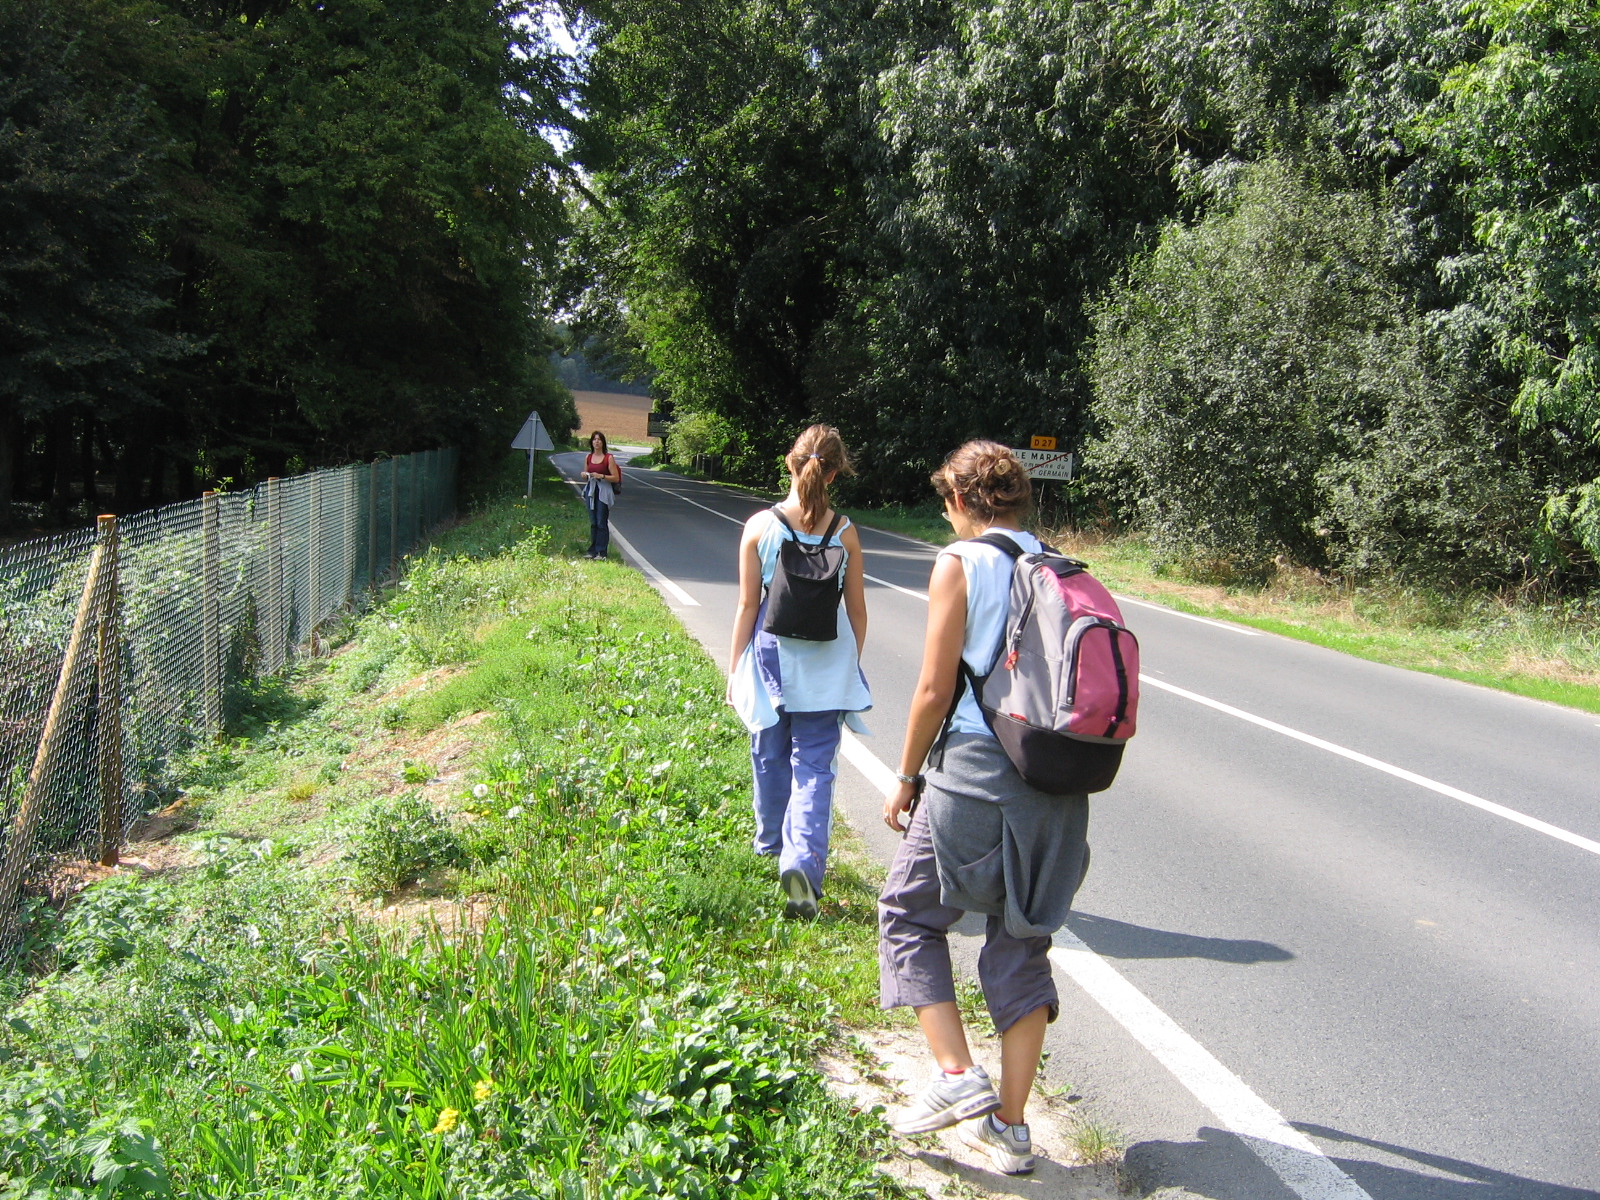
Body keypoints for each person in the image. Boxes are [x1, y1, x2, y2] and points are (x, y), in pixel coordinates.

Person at [877, 440, 1090, 1176]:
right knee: (1021, 940)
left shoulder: (961, 562)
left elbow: (936, 689)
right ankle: (1011, 1127)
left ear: (962, 500)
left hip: (975, 770)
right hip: (1056, 778)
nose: (946, 515)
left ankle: (956, 1073)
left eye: (946, 502)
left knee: (908, 913)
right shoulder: (1060, 565)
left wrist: (906, 775)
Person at [727, 425, 870, 919]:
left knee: (769, 751)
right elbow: (857, 612)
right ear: (834, 473)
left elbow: (748, 606)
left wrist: (734, 669)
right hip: (827, 664)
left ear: (791, 462)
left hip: (772, 658)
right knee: (814, 768)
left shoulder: (759, 527)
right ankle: (802, 867)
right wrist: (850, 664)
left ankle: (770, 843)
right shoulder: (846, 532)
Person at [581, 432, 621, 559]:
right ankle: (592, 551)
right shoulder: (588, 457)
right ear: (591, 442)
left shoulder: (608, 458)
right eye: (594, 439)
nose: (596, 442)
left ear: (603, 442)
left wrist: (602, 476)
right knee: (593, 522)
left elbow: (616, 477)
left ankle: (602, 552)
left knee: (601, 522)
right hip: (591, 490)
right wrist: (584, 475)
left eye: (599, 439)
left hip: (603, 491)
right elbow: (586, 474)